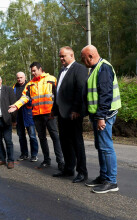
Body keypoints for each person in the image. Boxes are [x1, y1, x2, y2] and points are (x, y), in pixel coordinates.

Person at [81, 45, 121, 193]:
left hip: (104, 115)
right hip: (98, 115)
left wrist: (101, 117)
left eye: (83, 58)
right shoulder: (95, 68)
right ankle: (104, 177)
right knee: (101, 147)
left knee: (106, 147)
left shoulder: (103, 68)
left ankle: (111, 181)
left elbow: (105, 94)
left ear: (90, 56)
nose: (82, 61)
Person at [9, 62, 64, 170]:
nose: (33, 73)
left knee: (55, 138)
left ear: (40, 69)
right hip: (37, 115)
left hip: (50, 114)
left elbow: (59, 95)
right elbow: (25, 98)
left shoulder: (51, 79)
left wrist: (57, 111)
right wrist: (16, 106)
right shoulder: (30, 84)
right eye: (32, 71)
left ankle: (60, 162)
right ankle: (46, 160)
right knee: (42, 138)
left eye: (34, 71)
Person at [52, 46, 88, 183]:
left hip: (73, 114)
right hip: (62, 114)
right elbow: (59, 92)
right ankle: (68, 169)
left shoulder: (79, 69)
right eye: (60, 56)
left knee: (77, 143)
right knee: (65, 142)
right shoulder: (62, 71)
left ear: (71, 55)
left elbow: (80, 90)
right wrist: (54, 111)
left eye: (63, 56)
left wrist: (76, 110)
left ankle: (82, 172)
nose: (61, 58)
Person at [12, 72, 38, 162]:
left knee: (32, 136)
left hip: (28, 114)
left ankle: (34, 155)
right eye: (18, 78)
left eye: (21, 77)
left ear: (25, 77)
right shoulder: (14, 87)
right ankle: (24, 154)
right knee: (21, 136)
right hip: (18, 115)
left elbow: (34, 99)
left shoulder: (30, 86)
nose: (19, 79)